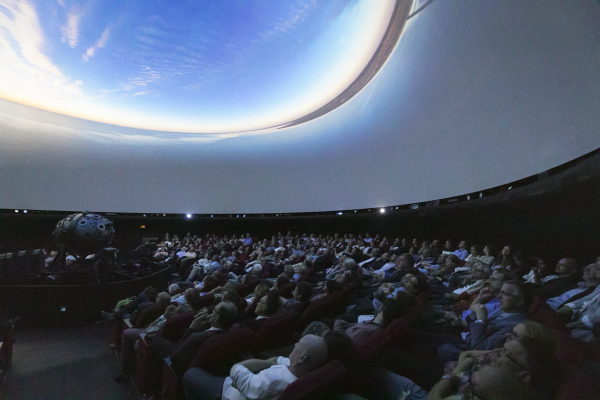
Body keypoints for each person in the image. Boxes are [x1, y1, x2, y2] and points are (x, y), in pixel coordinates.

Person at [182, 334, 328, 400]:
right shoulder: (301, 370)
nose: (295, 345)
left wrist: (265, 364)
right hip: (244, 381)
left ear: (302, 357)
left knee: (191, 374)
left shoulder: (276, 382)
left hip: (229, 392)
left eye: (298, 345)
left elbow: (236, 370)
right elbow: (277, 359)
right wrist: (269, 363)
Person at [437, 281, 530, 362]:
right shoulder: (504, 310)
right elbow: (470, 317)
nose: (498, 296)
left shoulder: (515, 326)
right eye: (500, 292)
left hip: (471, 351)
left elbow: (480, 350)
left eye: (505, 294)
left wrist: (481, 320)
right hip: (466, 337)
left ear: (519, 301)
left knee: (443, 348)